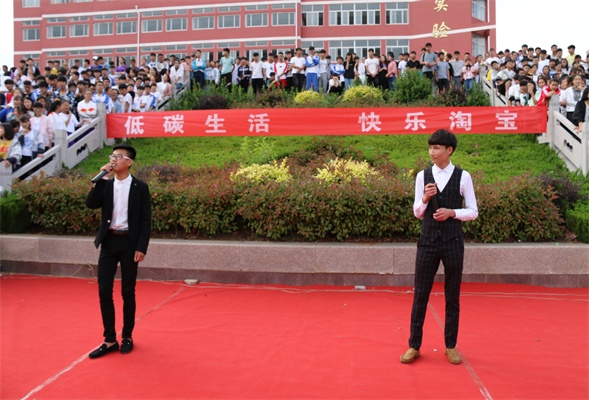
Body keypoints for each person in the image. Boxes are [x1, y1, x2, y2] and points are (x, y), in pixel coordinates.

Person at [400, 129, 478, 366]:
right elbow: (417, 212)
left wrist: (452, 212)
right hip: (427, 242)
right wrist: (425, 199)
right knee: (420, 295)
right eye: (430, 147)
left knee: (452, 296)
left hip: (453, 243)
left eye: (436, 148)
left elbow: (473, 211)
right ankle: (414, 345)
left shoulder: (463, 177)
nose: (432, 152)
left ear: (449, 150)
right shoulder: (422, 176)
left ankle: (450, 345)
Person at [85, 143, 151, 359]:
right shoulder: (106, 184)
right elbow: (90, 204)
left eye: (118, 156)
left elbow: (145, 220)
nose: (113, 160)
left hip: (130, 244)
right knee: (104, 291)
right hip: (109, 243)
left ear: (129, 162)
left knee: (127, 292)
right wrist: (101, 179)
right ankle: (110, 339)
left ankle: (127, 336)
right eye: (111, 156)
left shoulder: (140, 187)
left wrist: (141, 247)